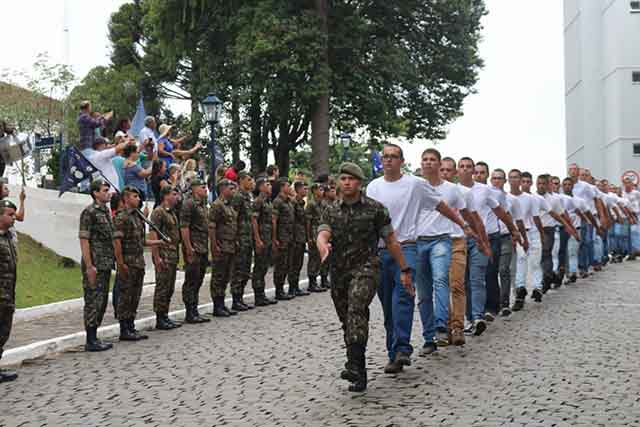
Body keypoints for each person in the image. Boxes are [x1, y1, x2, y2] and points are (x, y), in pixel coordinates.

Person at [317, 162, 413, 392]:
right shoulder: (331, 209)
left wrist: (404, 269)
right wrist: (322, 245)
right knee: (347, 320)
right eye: (343, 179)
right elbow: (323, 232)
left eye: (351, 179)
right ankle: (358, 369)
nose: (346, 182)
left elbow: (391, 241)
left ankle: (353, 363)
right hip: (339, 271)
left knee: (356, 308)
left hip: (367, 267)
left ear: (359, 183)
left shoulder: (375, 209)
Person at [413, 149, 474, 354]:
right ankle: (428, 336)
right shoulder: (414, 187)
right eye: (425, 160)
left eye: (432, 160)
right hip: (418, 241)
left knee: (442, 280)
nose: (428, 163)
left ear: (439, 164)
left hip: (443, 240)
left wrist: (467, 228)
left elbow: (464, 213)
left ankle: (444, 325)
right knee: (423, 293)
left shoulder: (452, 190)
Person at [114, 187, 165, 341]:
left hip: (139, 262)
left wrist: (158, 242)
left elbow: (141, 241)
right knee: (126, 296)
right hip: (128, 262)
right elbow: (117, 242)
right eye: (134, 196)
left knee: (135, 296)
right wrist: (120, 263)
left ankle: (131, 326)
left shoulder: (138, 217)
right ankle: (124, 329)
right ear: (126, 199)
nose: (138, 199)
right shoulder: (121, 218)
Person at [472, 161, 521, 322]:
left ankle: (492, 306)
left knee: (492, 272)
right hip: (474, 236)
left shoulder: (494, 193)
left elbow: (503, 213)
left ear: (487, 175)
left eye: (482, 172)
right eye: (476, 172)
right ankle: (478, 308)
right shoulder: (466, 191)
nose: (479, 175)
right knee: (477, 275)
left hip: (493, 235)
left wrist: (513, 230)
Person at [78, 179, 115, 352]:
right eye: (105, 190)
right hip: (94, 263)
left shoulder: (106, 211)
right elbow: (84, 239)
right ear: (95, 193)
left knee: (101, 301)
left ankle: (95, 336)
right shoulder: (89, 212)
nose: (109, 193)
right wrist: (89, 266)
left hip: (106, 262)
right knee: (93, 300)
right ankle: (90, 339)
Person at [491, 169, 527, 317]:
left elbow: (519, 221)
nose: (497, 181)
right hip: (491, 237)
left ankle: (504, 303)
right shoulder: (486, 197)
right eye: (494, 178)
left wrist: (522, 238)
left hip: (506, 237)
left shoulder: (512, 200)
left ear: (504, 181)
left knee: (504, 269)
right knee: (491, 272)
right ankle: (492, 304)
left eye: (500, 178)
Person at [150, 186, 182, 330]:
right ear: (165, 196)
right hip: (163, 254)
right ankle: (160, 317)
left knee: (169, 287)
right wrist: (156, 257)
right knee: (162, 286)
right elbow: (153, 234)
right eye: (174, 194)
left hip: (172, 254)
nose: (177, 197)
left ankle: (165, 315)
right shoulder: (158, 212)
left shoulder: (171, 212)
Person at [180, 178, 210, 323]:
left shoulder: (203, 204)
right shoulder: (189, 204)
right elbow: (184, 227)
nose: (206, 190)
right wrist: (189, 248)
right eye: (203, 187)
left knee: (199, 279)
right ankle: (189, 311)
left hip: (203, 246)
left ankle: (194, 309)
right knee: (191, 280)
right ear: (194, 189)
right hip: (194, 247)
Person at [209, 180, 239, 317]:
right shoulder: (217, 205)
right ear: (222, 189)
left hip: (230, 245)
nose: (232, 190)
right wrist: (214, 245)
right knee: (218, 276)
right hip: (221, 245)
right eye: (230, 188)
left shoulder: (229, 206)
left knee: (226, 276)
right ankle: (217, 306)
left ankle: (222, 303)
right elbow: (212, 227)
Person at [230, 172, 256, 310]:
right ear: (241, 181)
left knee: (246, 269)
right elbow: (233, 219)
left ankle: (240, 298)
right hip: (240, 237)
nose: (252, 182)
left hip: (248, 237)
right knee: (239, 269)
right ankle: (235, 299)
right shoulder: (238, 197)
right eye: (249, 179)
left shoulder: (248, 197)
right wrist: (235, 238)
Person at [251, 178, 277, 305]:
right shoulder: (258, 202)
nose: (270, 187)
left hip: (267, 238)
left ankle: (262, 294)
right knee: (259, 267)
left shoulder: (268, 202)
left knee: (264, 267)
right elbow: (254, 220)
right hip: (261, 237)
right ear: (261, 187)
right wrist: (257, 239)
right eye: (267, 185)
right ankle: (258, 295)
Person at [0, 200, 18, 382]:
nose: (14, 218)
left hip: (8, 293)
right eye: (10, 215)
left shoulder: (9, 237)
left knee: (3, 332)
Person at [272, 178, 295, 300]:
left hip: (289, 236)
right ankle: (278, 290)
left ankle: (282, 289)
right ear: (282, 187)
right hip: (282, 237)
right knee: (280, 264)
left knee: (287, 264)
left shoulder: (288, 201)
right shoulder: (278, 202)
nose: (290, 188)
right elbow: (274, 221)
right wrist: (275, 238)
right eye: (288, 186)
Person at [288, 181, 310, 297]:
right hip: (295, 236)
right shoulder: (293, 202)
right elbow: (292, 221)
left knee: (299, 263)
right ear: (298, 190)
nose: (306, 191)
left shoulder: (301, 203)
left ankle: (296, 286)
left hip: (301, 236)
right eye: (304, 188)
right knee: (294, 263)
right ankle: (292, 287)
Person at [305, 183, 327, 293]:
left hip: (321, 232)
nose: (322, 191)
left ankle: (319, 280)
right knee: (313, 258)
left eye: (322, 189)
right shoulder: (311, 204)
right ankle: (312, 282)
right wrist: (308, 237)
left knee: (319, 258)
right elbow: (308, 221)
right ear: (314, 191)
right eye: (320, 189)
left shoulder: (322, 203)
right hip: (314, 233)